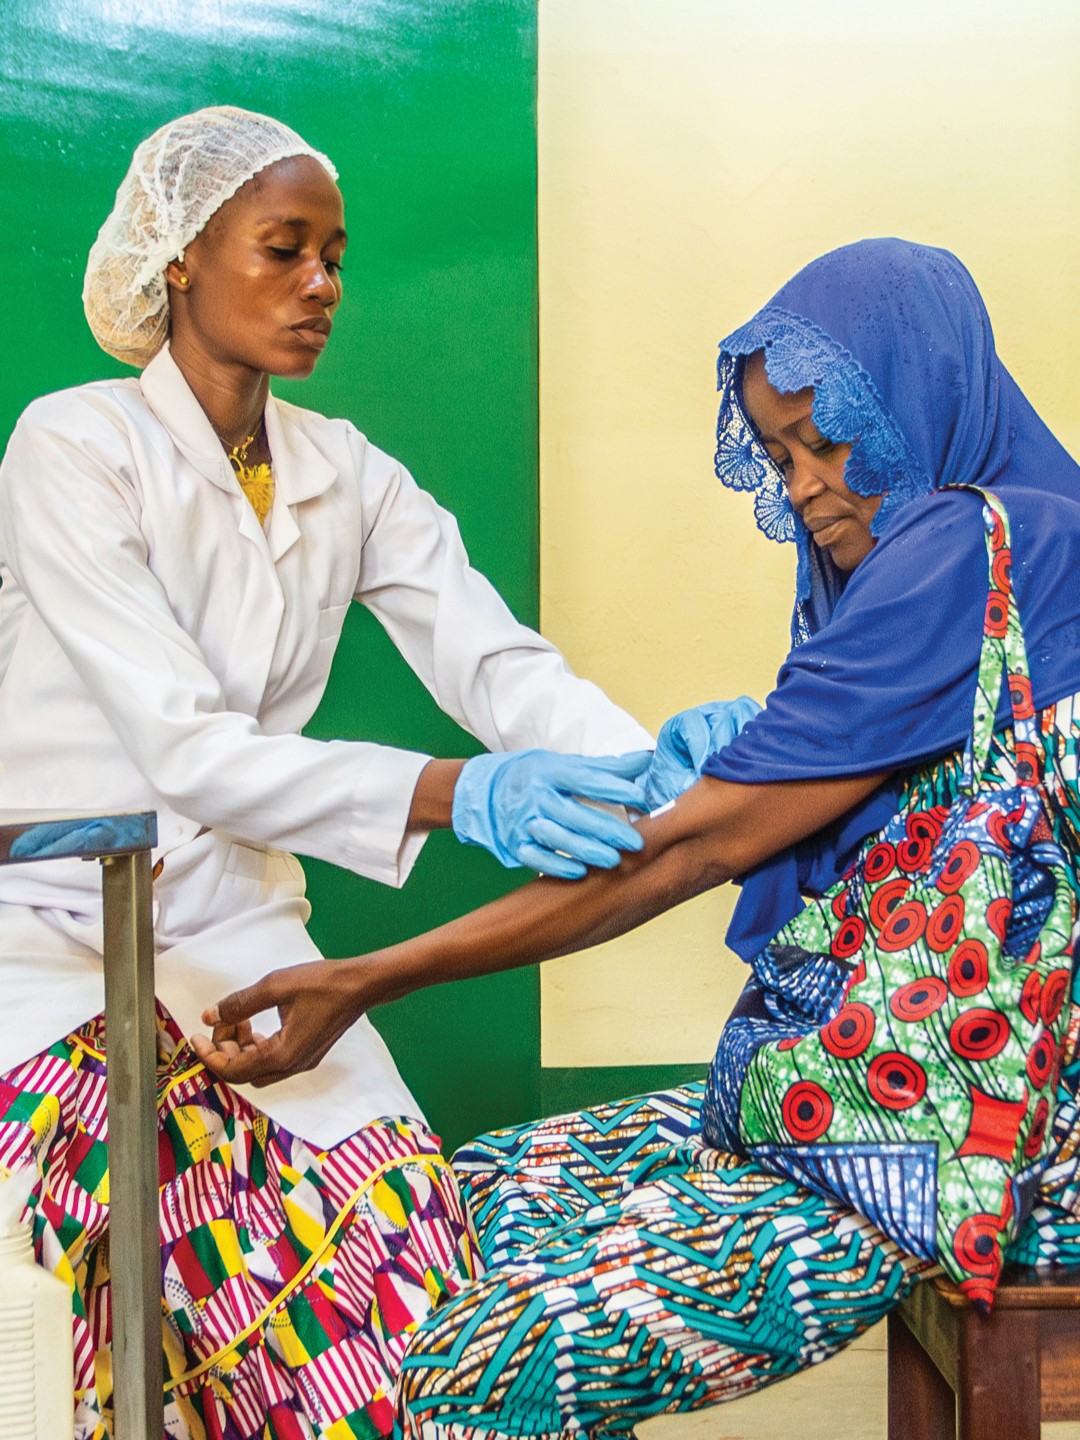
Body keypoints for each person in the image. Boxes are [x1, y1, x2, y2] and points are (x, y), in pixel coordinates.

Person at [195, 239, 1080, 1437]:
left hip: (984, 1147)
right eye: (780, 455)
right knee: (464, 1203)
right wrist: (743, 759)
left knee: (478, 1367)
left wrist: (367, 978)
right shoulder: (994, 550)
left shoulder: (970, 549)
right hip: (877, 1098)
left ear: (924, 392)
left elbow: (688, 853)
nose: (810, 485)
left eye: (831, 439)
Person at [0, 103, 709, 1440]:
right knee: (187, 1249)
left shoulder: (347, 475)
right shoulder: (71, 450)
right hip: (47, 952)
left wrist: (653, 766)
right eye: (282, 249)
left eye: (334, 254)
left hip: (238, 944)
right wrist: (454, 795)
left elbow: (498, 664)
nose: (321, 284)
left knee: (407, 1258)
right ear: (178, 262)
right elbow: (183, 750)